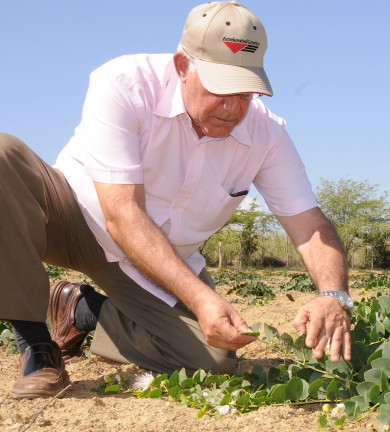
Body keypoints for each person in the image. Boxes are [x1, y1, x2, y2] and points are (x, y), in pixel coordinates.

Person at [0, 1, 354, 399]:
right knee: (3, 155)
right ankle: (36, 344)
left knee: (214, 359)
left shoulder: (266, 134)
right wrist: (201, 298)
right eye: (221, 89)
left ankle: (82, 310)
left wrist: (333, 294)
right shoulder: (124, 83)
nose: (233, 108)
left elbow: (310, 225)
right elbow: (121, 213)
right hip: (72, 216)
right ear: (183, 65)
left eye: (246, 93)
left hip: (155, 257)